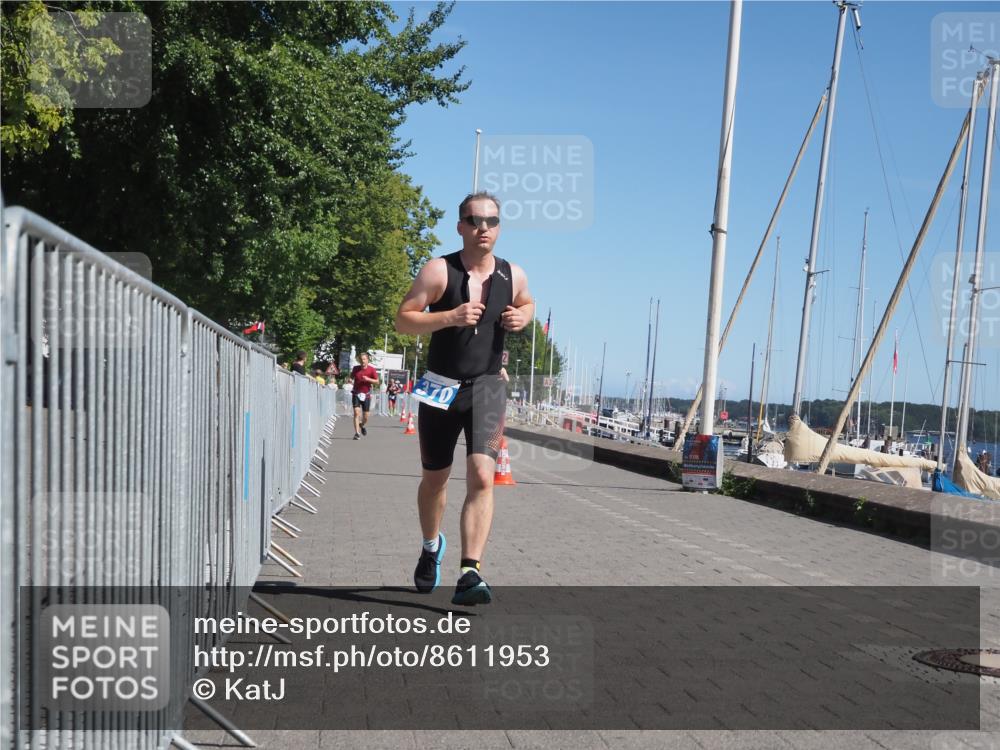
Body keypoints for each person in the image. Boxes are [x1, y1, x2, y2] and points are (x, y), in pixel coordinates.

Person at [395, 191, 533, 605]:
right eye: (475, 220)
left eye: (491, 221)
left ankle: (470, 572)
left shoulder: (513, 276)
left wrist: (522, 317)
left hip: (488, 387)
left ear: (499, 227)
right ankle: (430, 544)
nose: (483, 228)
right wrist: (450, 316)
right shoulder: (439, 271)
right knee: (434, 480)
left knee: (481, 476)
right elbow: (404, 319)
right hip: (440, 386)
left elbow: (528, 304)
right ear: (460, 226)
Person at [350, 351, 379, 440]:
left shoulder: (372, 369)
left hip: (366, 395)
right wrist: (350, 380)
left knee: (366, 417)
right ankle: (357, 433)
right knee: (356, 413)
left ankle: (361, 425)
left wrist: (368, 379)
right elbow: (351, 377)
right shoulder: (356, 368)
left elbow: (377, 381)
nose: (362, 361)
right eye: (361, 359)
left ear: (367, 360)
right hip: (356, 393)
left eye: (364, 359)